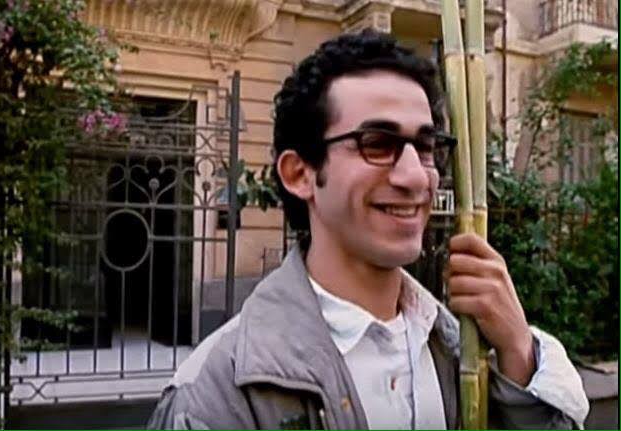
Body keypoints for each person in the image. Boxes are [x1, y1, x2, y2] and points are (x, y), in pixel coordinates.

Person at [148, 29, 588, 429]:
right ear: (300, 174)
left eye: (426, 146)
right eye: (377, 143)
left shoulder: (462, 352)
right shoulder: (219, 394)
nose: (415, 177)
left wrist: (519, 358)